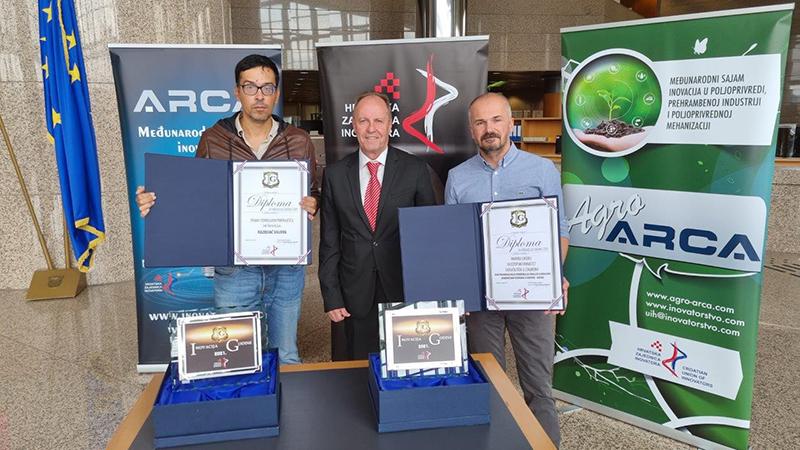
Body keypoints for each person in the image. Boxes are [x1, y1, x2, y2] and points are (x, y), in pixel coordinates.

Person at [135, 54, 320, 365]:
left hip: (286, 267)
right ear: (237, 92)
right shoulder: (214, 139)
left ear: (276, 93)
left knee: (286, 354)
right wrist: (156, 202)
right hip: (235, 268)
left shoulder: (299, 140)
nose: (259, 96)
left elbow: (314, 191)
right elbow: (194, 196)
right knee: (235, 357)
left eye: (267, 87)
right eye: (250, 87)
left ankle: (286, 397)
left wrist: (314, 202)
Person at [445, 92, 570, 447]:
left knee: (538, 388)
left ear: (510, 123)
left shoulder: (542, 170)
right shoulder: (458, 178)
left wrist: (553, 277)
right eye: (480, 122)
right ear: (472, 129)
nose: (489, 129)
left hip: (532, 298)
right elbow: (453, 240)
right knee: (488, 383)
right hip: (481, 300)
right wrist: (459, 290)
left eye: (496, 120)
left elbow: (560, 231)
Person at [318, 92, 436, 360]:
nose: (371, 128)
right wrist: (331, 296)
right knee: (359, 369)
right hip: (354, 292)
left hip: (403, 289)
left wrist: (430, 291)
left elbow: (429, 238)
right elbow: (329, 241)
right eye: (363, 121)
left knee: (404, 366)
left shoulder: (415, 169)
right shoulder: (335, 175)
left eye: (378, 121)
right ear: (354, 125)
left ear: (389, 124)